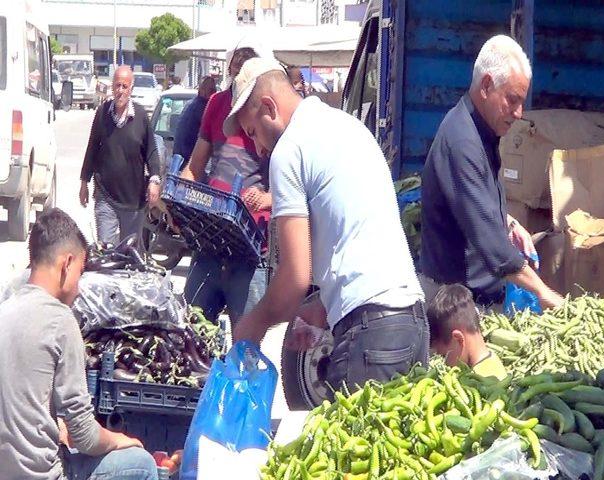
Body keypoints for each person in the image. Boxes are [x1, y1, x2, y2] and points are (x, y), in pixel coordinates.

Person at [225, 57, 428, 393]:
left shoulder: (290, 150)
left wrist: (252, 324)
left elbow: (294, 277)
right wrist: (321, 309)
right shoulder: (345, 127)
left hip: (373, 334)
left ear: (268, 107)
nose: (258, 148)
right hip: (412, 323)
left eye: (253, 132)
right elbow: (360, 247)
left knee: (353, 445)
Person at [0, 208, 157, 480]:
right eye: (81, 272)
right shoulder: (60, 320)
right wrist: (119, 440)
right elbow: (84, 436)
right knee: (141, 464)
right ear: (67, 263)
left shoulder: (6, 308)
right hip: (41, 475)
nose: (79, 287)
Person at [420, 35, 563, 310]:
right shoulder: (462, 142)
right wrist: (543, 292)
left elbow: (471, 203)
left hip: (473, 299)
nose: (519, 113)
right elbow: (493, 248)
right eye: (512, 100)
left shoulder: (481, 131)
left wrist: (507, 222)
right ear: (486, 85)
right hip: (456, 308)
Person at [180, 40, 272, 328]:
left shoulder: (267, 116)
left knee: (245, 343)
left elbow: (294, 186)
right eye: (234, 77)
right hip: (210, 238)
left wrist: (268, 198)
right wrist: (179, 195)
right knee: (193, 333)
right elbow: (194, 167)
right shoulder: (216, 104)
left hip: (250, 245)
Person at [80, 65, 161, 246]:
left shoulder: (141, 117)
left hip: (133, 199)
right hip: (105, 194)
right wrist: (84, 182)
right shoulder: (102, 113)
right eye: (117, 86)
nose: (120, 91)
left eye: (124, 86)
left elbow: (152, 152)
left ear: (131, 88)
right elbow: (92, 148)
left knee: (130, 254)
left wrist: (154, 181)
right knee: (105, 251)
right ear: (112, 87)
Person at [428, 284, 508, 380]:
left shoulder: (480, 382)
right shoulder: (492, 362)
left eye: (444, 355)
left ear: (458, 339)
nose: (445, 363)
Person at [173, 75, 217, 167]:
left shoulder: (190, 104)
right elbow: (213, 137)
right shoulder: (204, 108)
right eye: (212, 90)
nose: (214, 93)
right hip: (189, 160)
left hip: (178, 159)